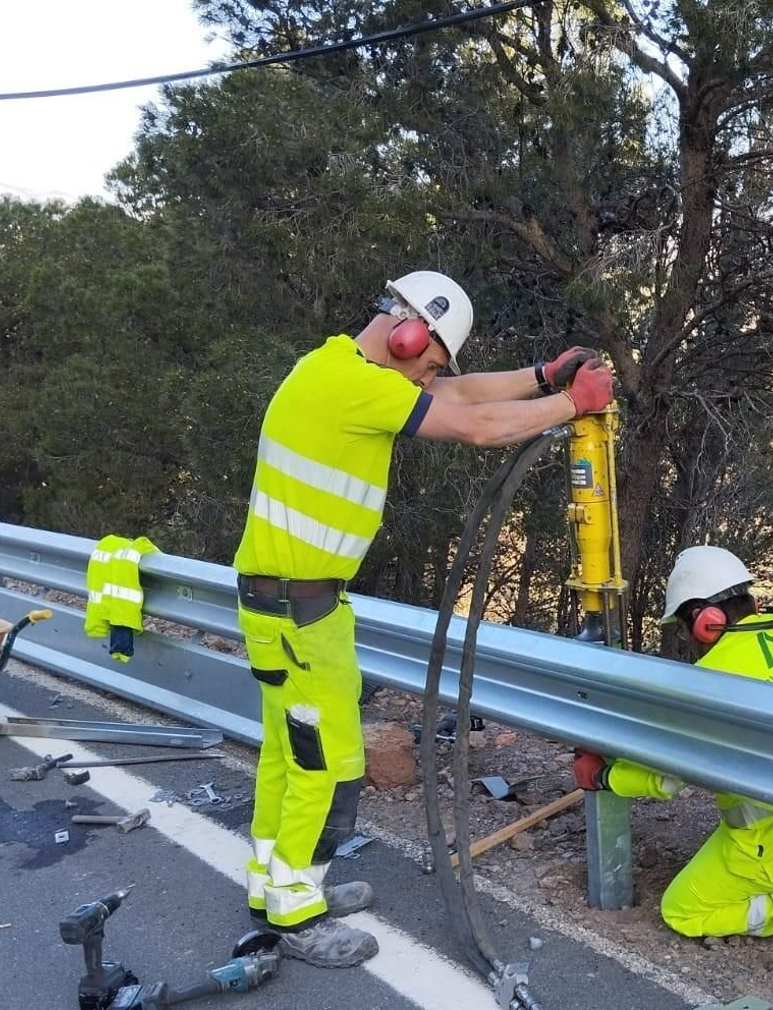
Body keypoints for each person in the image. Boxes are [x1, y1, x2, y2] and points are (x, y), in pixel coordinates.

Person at [233, 269, 613, 968]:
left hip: (290, 606)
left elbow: (458, 395)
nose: (426, 379)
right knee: (329, 765)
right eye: (429, 363)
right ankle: (295, 910)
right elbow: (474, 424)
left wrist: (541, 375)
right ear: (407, 335)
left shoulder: (336, 371)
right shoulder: (349, 384)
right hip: (298, 612)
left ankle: (274, 885)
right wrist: (570, 403)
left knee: (290, 757)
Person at [573, 545, 773, 950]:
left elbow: (667, 778)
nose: (687, 641)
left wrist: (605, 776)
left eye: (683, 629)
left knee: (683, 912)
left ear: (705, 622)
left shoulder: (713, 681)